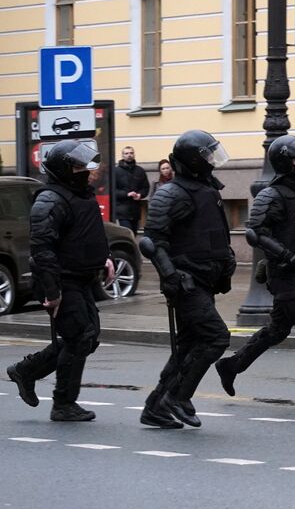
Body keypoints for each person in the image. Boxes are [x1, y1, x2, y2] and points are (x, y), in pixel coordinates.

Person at [6, 139, 115, 421]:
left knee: (87, 340)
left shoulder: (79, 194)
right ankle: (63, 404)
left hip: (81, 278)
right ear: (65, 169)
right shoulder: (50, 200)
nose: (85, 170)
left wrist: (105, 258)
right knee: (80, 337)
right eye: (78, 165)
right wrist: (52, 292)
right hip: (62, 280)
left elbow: (87, 233)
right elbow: (42, 250)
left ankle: (26, 371)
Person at [140, 130, 237, 429]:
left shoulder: (205, 188)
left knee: (188, 346)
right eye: (207, 155)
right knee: (216, 337)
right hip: (186, 282)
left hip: (205, 280)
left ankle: (155, 407)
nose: (212, 161)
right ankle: (178, 397)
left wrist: (226, 262)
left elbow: (212, 233)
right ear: (193, 161)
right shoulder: (171, 193)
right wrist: (170, 275)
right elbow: (152, 241)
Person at [214, 134, 295, 396]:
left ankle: (232, 365)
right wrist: (285, 255)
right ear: (284, 161)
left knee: (278, 330)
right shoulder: (271, 194)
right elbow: (255, 233)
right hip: (283, 272)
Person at [113, 145, 150, 233]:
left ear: (134, 155)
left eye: (131, 153)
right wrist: (126, 194)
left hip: (135, 210)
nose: (129, 155)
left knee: (134, 232)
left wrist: (140, 195)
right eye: (126, 153)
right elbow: (112, 190)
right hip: (122, 210)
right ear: (122, 155)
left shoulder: (140, 170)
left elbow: (145, 187)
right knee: (128, 232)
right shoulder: (116, 171)